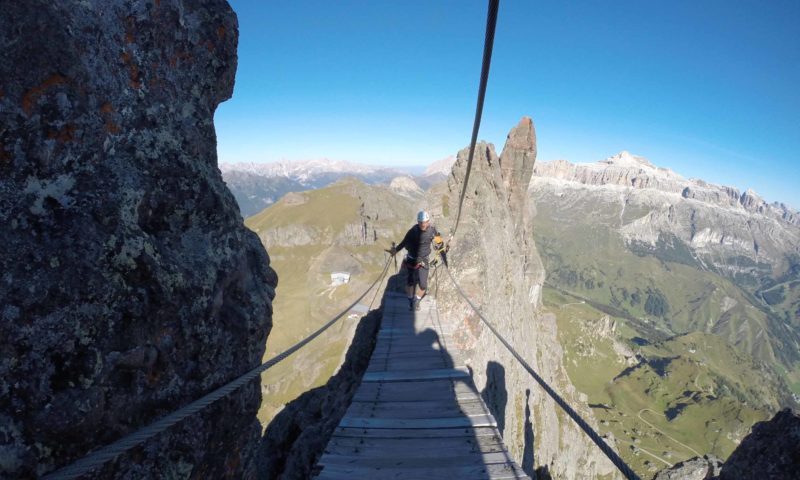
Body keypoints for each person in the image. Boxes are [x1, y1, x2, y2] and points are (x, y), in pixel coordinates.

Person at [389, 210, 442, 311]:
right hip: (412, 259)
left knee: (423, 284)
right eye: (421, 222)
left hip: (424, 260)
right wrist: (395, 250)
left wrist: (442, 247)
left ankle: (416, 300)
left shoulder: (432, 230)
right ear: (418, 222)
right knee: (410, 282)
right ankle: (410, 301)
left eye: (425, 222)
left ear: (428, 221)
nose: (423, 224)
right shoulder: (412, 231)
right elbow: (404, 243)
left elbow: (439, 241)